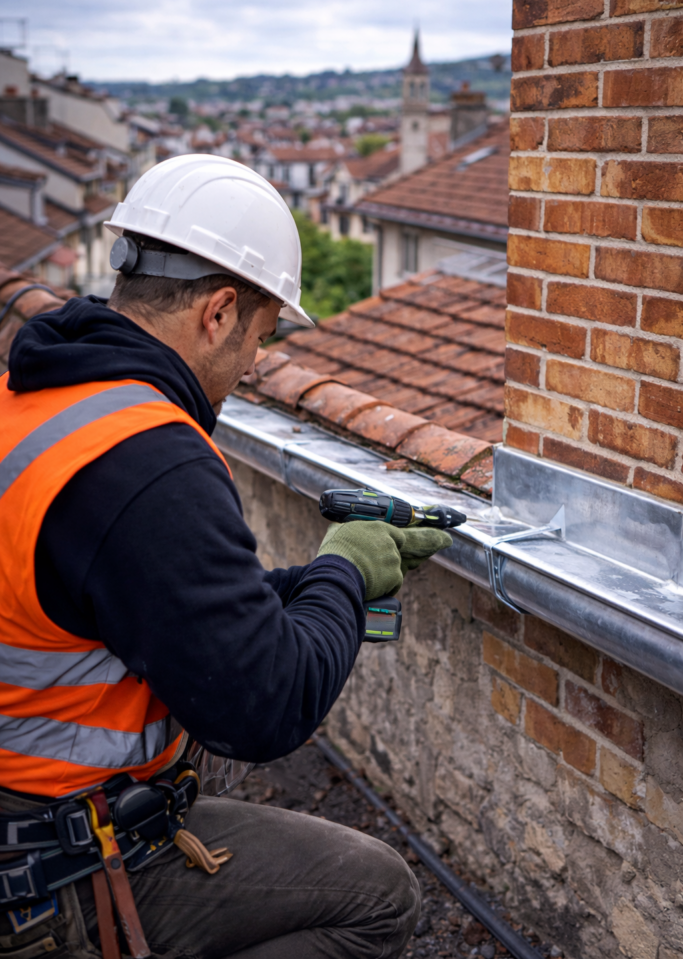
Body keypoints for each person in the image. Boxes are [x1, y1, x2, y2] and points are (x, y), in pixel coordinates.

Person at [0, 156, 452, 959]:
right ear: (218, 312)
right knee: (376, 897)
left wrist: (307, 585)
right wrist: (345, 571)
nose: (252, 367)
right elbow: (261, 708)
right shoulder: (146, 461)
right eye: (261, 336)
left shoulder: (34, 397)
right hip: (49, 864)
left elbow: (137, 600)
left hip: (22, 819)